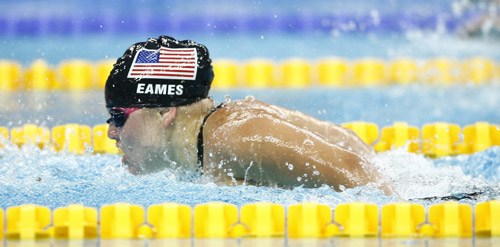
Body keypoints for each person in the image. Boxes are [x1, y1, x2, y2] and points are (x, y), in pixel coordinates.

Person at [105, 35, 393, 195]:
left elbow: (359, 173)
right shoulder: (208, 142)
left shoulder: (237, 138)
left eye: (118, 117)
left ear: (165, 111)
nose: (111, 132)